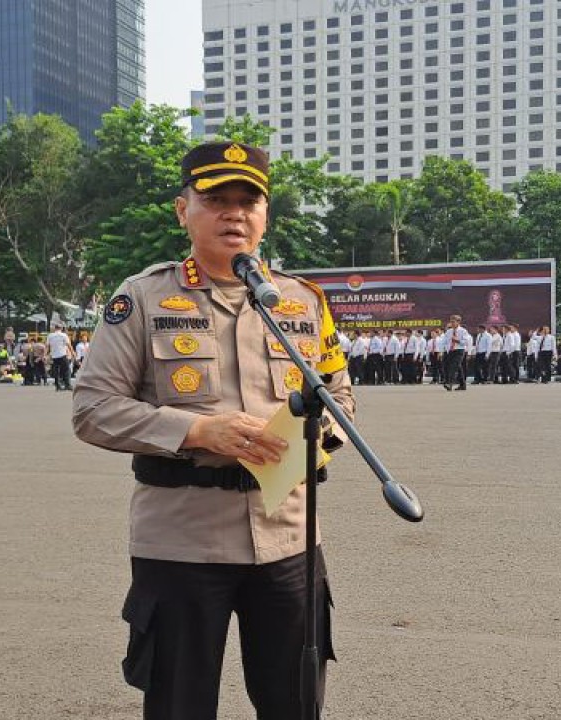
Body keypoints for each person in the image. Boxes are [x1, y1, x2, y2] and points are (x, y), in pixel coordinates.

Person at [72, 142, 352, 720]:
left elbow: (339, 396)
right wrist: (200, 430)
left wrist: (317, 440)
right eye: (215, 200)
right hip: (181, 541)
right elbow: (93, 408)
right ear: (183, 211)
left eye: (248, 201)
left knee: (295, 704)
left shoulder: (301, 302)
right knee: (179, 706)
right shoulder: (144, 297)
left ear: (265, 215)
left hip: (289, 537)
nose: (234, 213)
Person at [441, 314, 471, 391]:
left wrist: (457, 340)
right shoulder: (449, 331)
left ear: (458, 322)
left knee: (453, 367)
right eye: (451, 322)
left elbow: (466, 342)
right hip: (451, 351)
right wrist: (444, 350)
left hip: (459, 351)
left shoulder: (463, 331)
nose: (452, 323)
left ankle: (449, 384)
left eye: (453, 322)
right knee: (458, 368)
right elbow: (445, 342)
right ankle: (463, 385)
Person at [47, 323, 75, 390]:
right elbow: (69, 345)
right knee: (66, 370)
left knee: (56, 370)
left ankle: (57, 385)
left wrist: (45, 355)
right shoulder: (63, 335)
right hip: (62, 355)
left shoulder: (50, 336)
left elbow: (47, 346)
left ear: (55, 328)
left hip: (54, 356)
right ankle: (67, 385)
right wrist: (73, 352)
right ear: (61, 328)